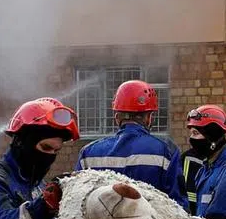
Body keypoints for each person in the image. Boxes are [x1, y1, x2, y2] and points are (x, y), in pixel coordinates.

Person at [76, 80, 186, 209]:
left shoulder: (88, 153)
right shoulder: (166, 151)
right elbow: (178, 206)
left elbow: (77, 201)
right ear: (149, 118)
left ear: (117, 117)